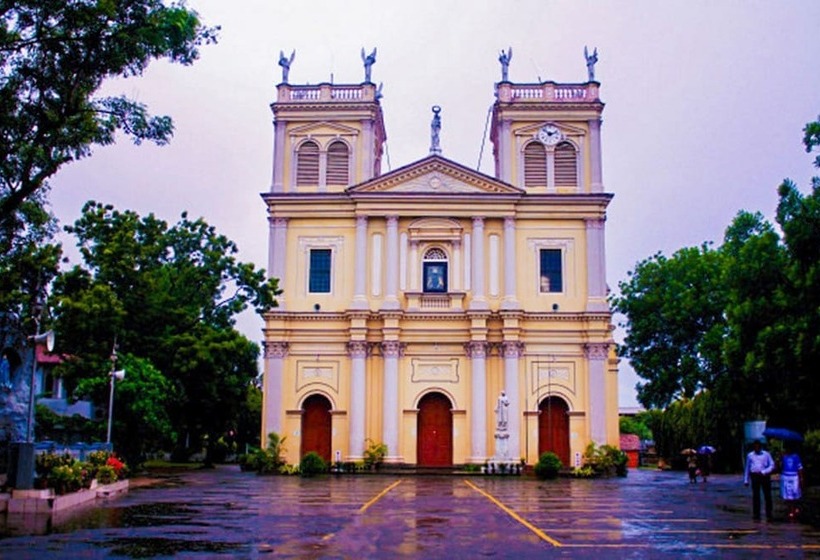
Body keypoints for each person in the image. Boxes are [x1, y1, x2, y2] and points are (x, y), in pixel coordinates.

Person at [744, 440, 775, 520]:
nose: (756, 448)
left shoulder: (766, 454)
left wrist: (765, 471)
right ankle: (756, 514)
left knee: (767, 495)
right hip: (755, 475)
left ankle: (769, 512)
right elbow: (747, 467)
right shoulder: (750, 455)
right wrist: (746, 480)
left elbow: (772, 465)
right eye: (755, 447)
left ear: (760, 447)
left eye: (758, 447)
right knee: (756, 495)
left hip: (764, 475)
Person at [780, 442, 804, 520]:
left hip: (794, 476)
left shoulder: (796, 456)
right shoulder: (783, 456)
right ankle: (791, 510)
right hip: (785, 476)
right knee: (787, 494)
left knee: (795, 492)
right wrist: (779, 458)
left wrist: (801, 478)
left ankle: (795, 507)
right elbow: (779, 467)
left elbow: (800, 468)